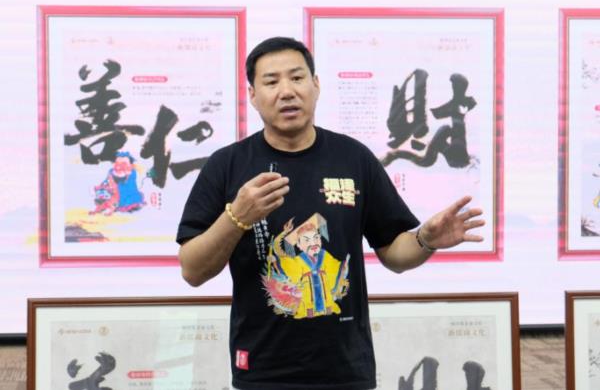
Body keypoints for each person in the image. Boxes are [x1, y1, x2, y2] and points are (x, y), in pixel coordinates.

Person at [176, 37, 485, 390]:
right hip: (262, 371)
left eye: (297, 78)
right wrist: (237, 218)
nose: (287, 92)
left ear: (316, 85)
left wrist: (425, 240)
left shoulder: (353, 158)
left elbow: (395, 254)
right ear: (253, 95)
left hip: (346, 370)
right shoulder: (227, 166)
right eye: (272, 82)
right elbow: (192, 270)